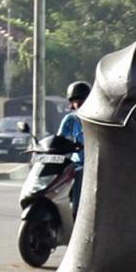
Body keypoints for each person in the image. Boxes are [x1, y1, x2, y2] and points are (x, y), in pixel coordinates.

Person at [58, 79, 89, 212]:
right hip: (75, 163)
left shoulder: (96, 119)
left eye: (82, 99)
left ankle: (77, 214)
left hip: (90, 165)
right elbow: (59, 139)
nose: (78, 103)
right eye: (75, 100)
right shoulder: (70, 120)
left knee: (79, 172)